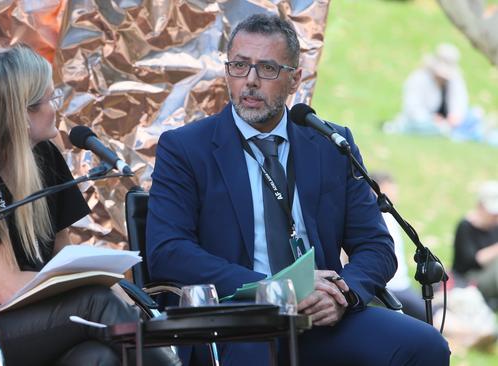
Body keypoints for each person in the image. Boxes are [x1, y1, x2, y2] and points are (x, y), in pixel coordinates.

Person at [146, 14, 450, 366]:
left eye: (268, 69)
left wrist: (343, 294)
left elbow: (375, 245)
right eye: (240, 66)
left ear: (295, 79)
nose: (251, 81)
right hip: (236, 321)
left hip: (319, 318)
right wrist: (274, 289)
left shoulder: (330, 143)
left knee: (425, 345)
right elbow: (168, 251)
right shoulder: (186, 148)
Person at [0, 45, 179, 366]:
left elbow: (62, 254)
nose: (56, 109)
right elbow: (7, 289)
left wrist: (101, 277)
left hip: (26, 323)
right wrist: (90, 285)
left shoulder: (46, 158)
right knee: (94, 303)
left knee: (97, 356)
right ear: (21, 113)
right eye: (50, 100)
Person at [383, 43, 483, 141]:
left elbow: (460, 101)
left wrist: (454, 117)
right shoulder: (418, 78)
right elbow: (412, 108)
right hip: (423, 121)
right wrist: (432, 119)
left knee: (475, 114)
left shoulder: (455, 80)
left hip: (448, 122)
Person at [370, 172, 428, 321]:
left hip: (403, 285)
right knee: (432, 315)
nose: (393, 195)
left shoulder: (391, 217)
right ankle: (470, 333)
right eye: (388, 190)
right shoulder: (374, 218)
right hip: (392, 289)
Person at [452, 180, 498, 309]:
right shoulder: (465, 227)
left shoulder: (495, 225)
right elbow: (473, 261)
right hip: (469, 279)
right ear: (480, 206)